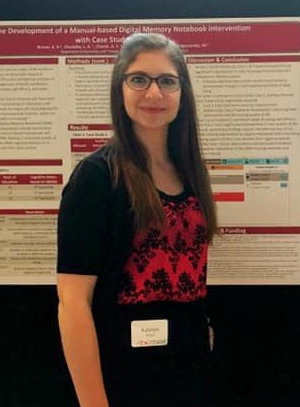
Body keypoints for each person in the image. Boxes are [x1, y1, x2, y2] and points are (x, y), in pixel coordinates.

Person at [57, 33, 217, 407]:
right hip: (124, 377)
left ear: (182, 91)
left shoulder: (190, 171)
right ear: (121, 87)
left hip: (187, 373)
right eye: (139, 79)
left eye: (167, 81)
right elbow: (72, 303)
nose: (154, 94)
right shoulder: (97, 177)